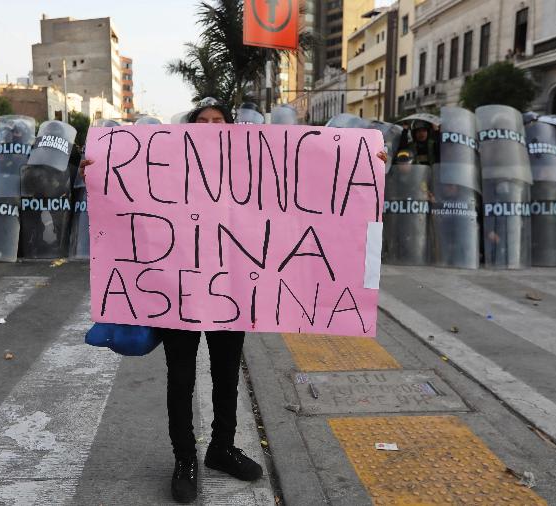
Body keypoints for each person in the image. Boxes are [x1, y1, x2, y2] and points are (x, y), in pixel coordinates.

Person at [80, 100, 387, 504]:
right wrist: (96, 169)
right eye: (202, 122)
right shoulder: (171, 167)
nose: (210, 128)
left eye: (217, 121)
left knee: (226, 375)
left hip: (233, 290)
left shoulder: (249, 163)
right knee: (181, 379)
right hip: (179, 292)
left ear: (230, 127)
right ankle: (184, 459)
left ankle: (221, 448)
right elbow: (126, 199)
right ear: (188, 130)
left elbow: (306, 175)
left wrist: (366, 163)